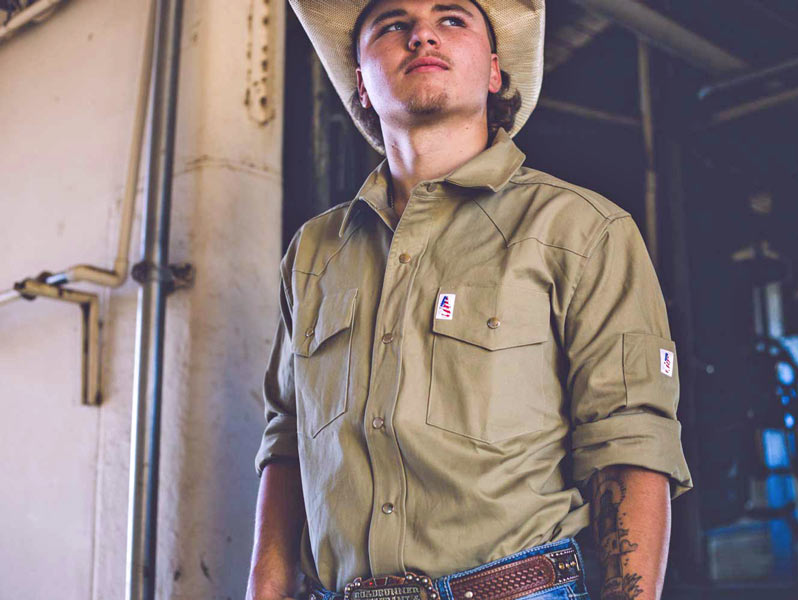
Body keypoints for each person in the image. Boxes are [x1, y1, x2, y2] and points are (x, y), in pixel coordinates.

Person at [245, 2, 693, 600]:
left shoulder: (583, 231)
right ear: (360, 80)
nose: (422, 33)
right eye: (393, 24)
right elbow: (288, 440)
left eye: (452, 19)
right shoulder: (314, 252)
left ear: (492, 70)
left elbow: (630, 441)